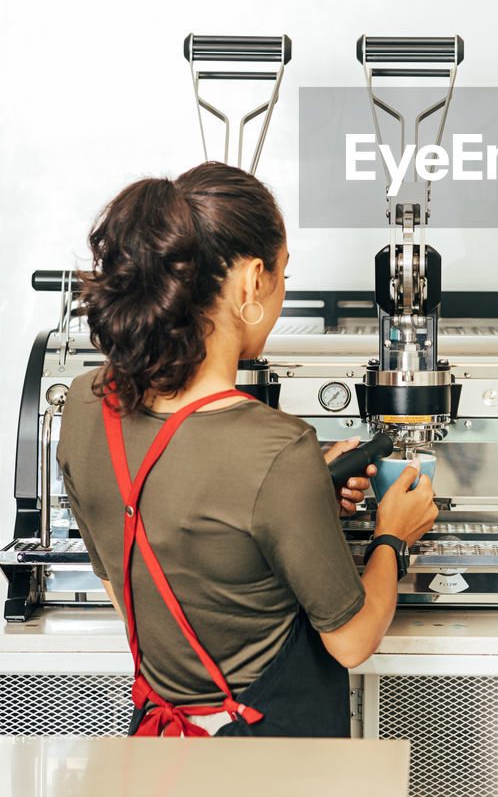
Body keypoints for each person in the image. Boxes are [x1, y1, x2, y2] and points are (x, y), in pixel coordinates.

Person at [56, 161, 437, 737]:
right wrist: (391, 534)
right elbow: (353, 642)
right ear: (252, 281)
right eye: (283, 274)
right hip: (268, 761)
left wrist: (301, 497)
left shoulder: (85, 404)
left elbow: (130, 587)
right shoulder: (278, 449)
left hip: (162, 753)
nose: (281, 292)